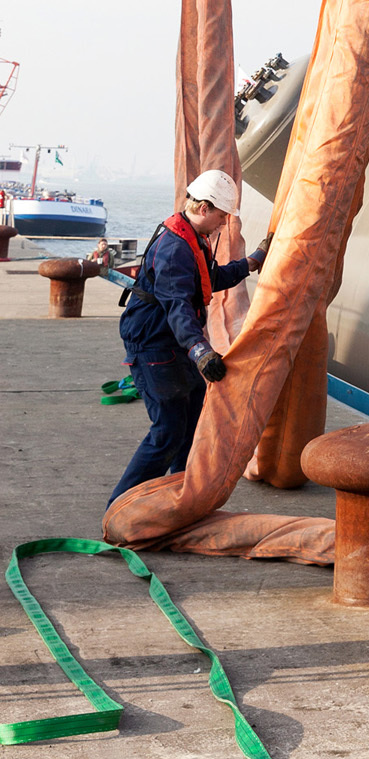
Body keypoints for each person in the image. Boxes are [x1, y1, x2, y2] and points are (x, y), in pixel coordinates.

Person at [107, 169, 268, 511]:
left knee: (190, 424)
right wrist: (201, 352)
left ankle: (179, 500)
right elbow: (177, 306)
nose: (223, 224)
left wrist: (250, 262)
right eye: (221, 216)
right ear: (204, 208)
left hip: (174, 342)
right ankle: (120, 508)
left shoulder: (193, 238)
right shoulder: (173, 249)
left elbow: (208, 279)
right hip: (153, 344)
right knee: (167, 431)